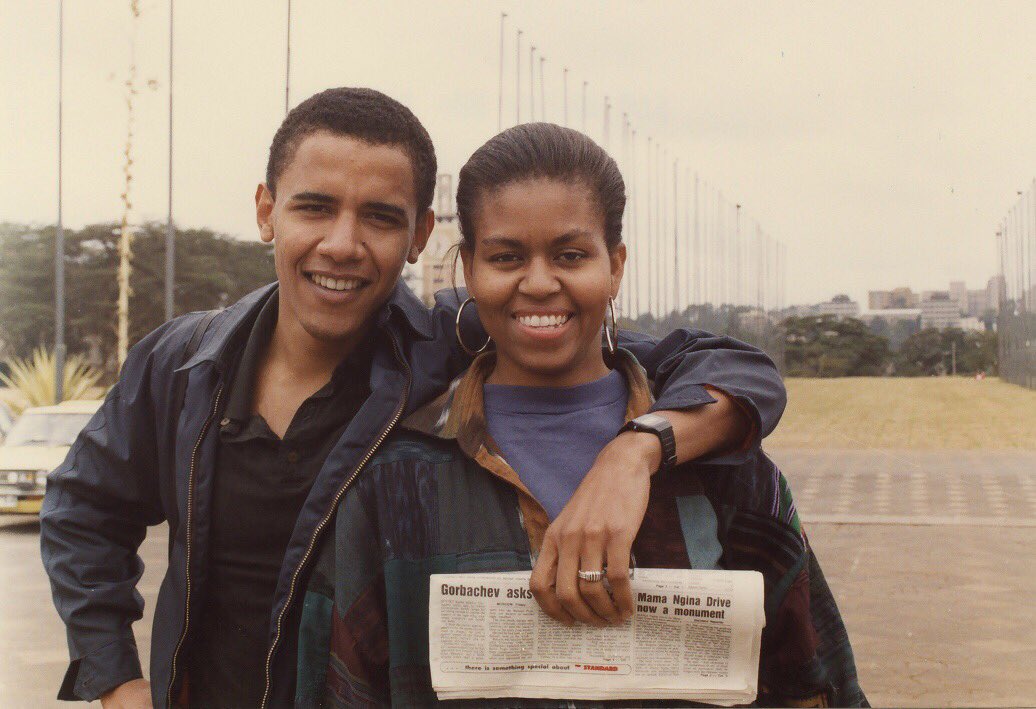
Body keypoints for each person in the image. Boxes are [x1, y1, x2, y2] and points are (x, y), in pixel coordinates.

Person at [40, 89, 788, 708]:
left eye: (380, 217)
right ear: (267, 210)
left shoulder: (444, 342)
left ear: (422, 235)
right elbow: (81, 510)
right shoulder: (180, 364)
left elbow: (722, 366)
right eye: (314, 207)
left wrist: (637, 449)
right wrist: (117, 679)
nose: (342, 243)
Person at [295, 123, 866, 708]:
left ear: (615, 265)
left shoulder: (721, 466)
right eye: (506, 256)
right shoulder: (396, 478)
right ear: (468, 268)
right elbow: (343, 686)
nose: (540, 283)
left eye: (571, 255)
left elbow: (815, 683)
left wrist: (636, 455)